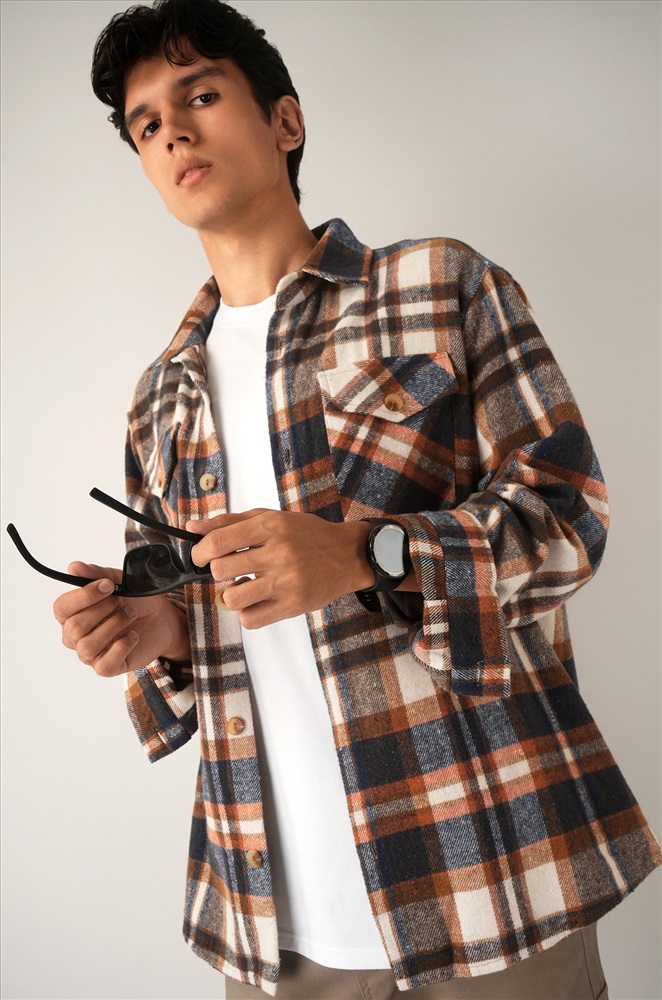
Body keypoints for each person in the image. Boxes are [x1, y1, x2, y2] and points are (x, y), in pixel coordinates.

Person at [50, 1, 661, 997]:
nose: (173, 133)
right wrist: (157, 633)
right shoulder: (161, 397)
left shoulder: (440, 285)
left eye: (199, 96)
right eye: (147, 124)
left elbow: (568, 516)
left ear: (285, 120)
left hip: (493, 884)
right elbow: (198, 631)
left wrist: (367, 553)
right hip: (278, 931)